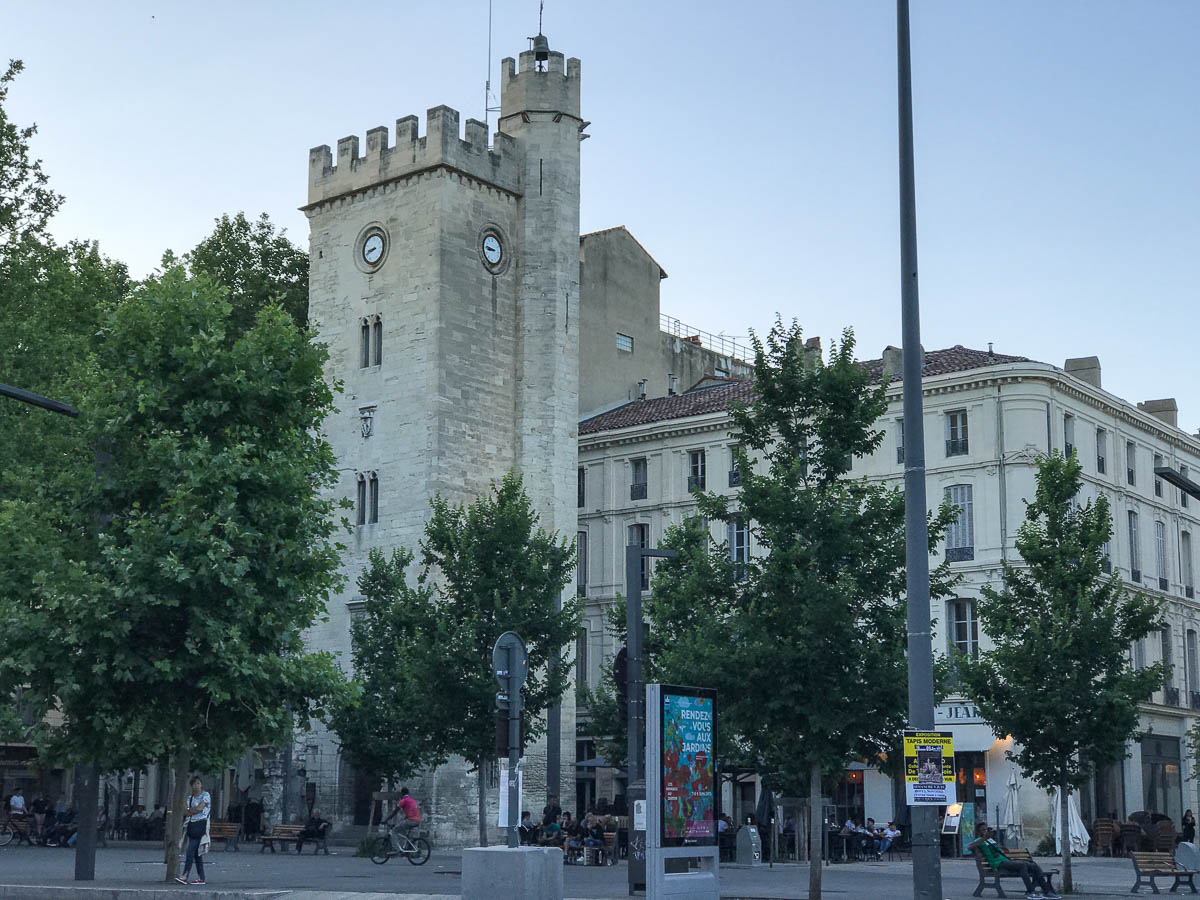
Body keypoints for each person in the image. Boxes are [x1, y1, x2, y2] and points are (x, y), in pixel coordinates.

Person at [967, 823, 1059, 900]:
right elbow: (969, 847)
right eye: (983, 830)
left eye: (987, 829)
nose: (986, 831)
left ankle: (1047, 892)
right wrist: (984, 838)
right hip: (998, 864)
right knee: (1023, 865)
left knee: (1033, 865)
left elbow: (997, 850)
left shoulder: (991, 840)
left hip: (1006, 861)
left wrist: (1001, 848)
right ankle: (1031, 892)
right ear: (979, 832)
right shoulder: (979, 840)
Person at [176, 776, 210, 886]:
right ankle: (201, 877)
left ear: (201, 785)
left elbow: (199, 808)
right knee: (196, 854)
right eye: (194, 784)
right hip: (192, 825)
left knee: (190, 850)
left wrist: (191, 810)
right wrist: (193, 810)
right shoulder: (189, 798)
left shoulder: (206, 795)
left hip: (201, 825)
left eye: (198, 783)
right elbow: (186, 812)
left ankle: (185, 876)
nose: (196, 786)